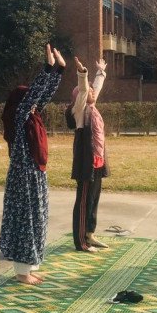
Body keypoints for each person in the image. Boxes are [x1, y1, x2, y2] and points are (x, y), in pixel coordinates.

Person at [0, 44, 66, 285]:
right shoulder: (19, 120)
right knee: (26, 223)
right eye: (29, 101)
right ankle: (21, 272)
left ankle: (30, 266)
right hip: (23, 180)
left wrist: (60, 70)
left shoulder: (32, 117)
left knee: (38, 220)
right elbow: (33, 97)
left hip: (35, 176)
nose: (35, 104)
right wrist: (47, 67)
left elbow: (42, 95)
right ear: (21, 104)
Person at [68, 56, 109, 252]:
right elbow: (84, 89)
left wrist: (100, 72)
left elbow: (95, 88)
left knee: (94, 198)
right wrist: (82, 74)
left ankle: (90, 234)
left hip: (97, 160)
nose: (93, 91)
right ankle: (81, 242)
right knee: (84, 200)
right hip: (86, 162)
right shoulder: (80, 111)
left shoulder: (92, 107)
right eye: (89, 90)